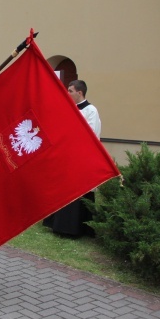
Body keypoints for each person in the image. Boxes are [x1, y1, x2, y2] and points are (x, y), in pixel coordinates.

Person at [43, 79, 101, 236]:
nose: (67, 94)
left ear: (79, 92)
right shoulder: (70, 109)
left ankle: (74, 228)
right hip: (67, 157)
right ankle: (57, 223)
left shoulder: (91, 111)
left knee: (78, 193)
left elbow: (90, 134)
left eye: (70, 91)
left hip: (81, 159)